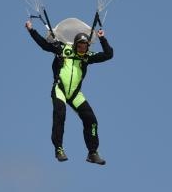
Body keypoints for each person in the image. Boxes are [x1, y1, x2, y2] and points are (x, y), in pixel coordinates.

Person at [25, 19, 114, 164]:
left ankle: (92, 153)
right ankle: (58, 148)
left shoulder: (87, 57)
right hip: (59, 89)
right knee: (60, 114)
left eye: (84, 47)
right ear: (75, 45)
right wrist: (31, 30)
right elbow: (44, 45)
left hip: (74, 94)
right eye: (79, 46)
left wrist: (102, 38)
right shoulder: (63, 49)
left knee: (91, 120)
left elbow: (108, 54)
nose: (82, 49)